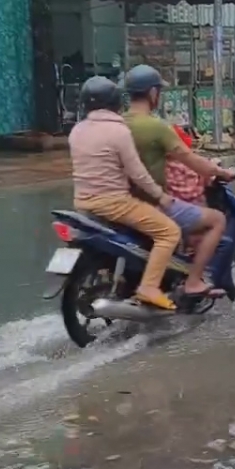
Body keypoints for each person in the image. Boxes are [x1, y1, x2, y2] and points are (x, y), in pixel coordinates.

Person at [121, 65, 235, 305]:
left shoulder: (119, 124)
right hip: (153, 203)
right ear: (153, 93)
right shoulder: (155, 126)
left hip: (124, 201)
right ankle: (194, 281)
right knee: (216, 220)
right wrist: (220, 171)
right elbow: (192, 160)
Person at [68, 76, 181, 311]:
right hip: (114, 203)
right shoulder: (118, 131)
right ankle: (149, 287)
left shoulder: (76, 131)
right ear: (116, 101)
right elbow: (137, 173)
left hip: (83, 204)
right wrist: (160, 196)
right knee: (169, 232)